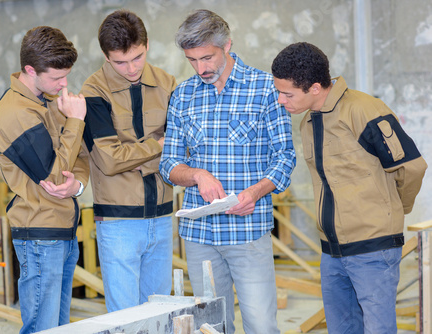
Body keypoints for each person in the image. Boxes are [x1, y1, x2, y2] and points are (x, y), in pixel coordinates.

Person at [271, 42, 428, 334]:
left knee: (378, 329)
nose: (281, 100)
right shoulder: (308, 122)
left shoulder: (363, 110)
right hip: (331, 252)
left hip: (372, 248)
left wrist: (392, 209)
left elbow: (412, 167)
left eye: (287, 93)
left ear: (315, 88)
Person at [159, 9, 296, 334]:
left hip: (248, 233)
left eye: (207, 57)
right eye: (192, 60)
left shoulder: (264, 89)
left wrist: (255, 192)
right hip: (199, 238)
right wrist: (196, 175)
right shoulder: (183, 96)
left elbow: (285, 158)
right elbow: (168, 164)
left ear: (228, 45)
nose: (201, 68)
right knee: (211, 327)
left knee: (261, 325)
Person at [0, 26, 89, 333]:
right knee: (42, 328)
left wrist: (78, 185)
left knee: (58, 328)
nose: (64, 84)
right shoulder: (15, 112)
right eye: (57, 77)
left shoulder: (45, 101)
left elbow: (80, 157)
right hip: (40, 235)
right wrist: (75, 120)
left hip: (62, 229)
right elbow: (55, 174)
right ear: (30, 70)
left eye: (67, 76)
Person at [80, 9, 177, 312]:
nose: (131, 68)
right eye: (120, 62)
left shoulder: (168, 84)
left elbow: (181, 146)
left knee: (160, 313)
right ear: (106, 56)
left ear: (146, 45)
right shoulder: (93, 91)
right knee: (124, 319)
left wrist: (136, 158)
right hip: (118, 222)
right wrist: (158, 145)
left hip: (162, 217)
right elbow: (109, 160)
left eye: (137, 57)